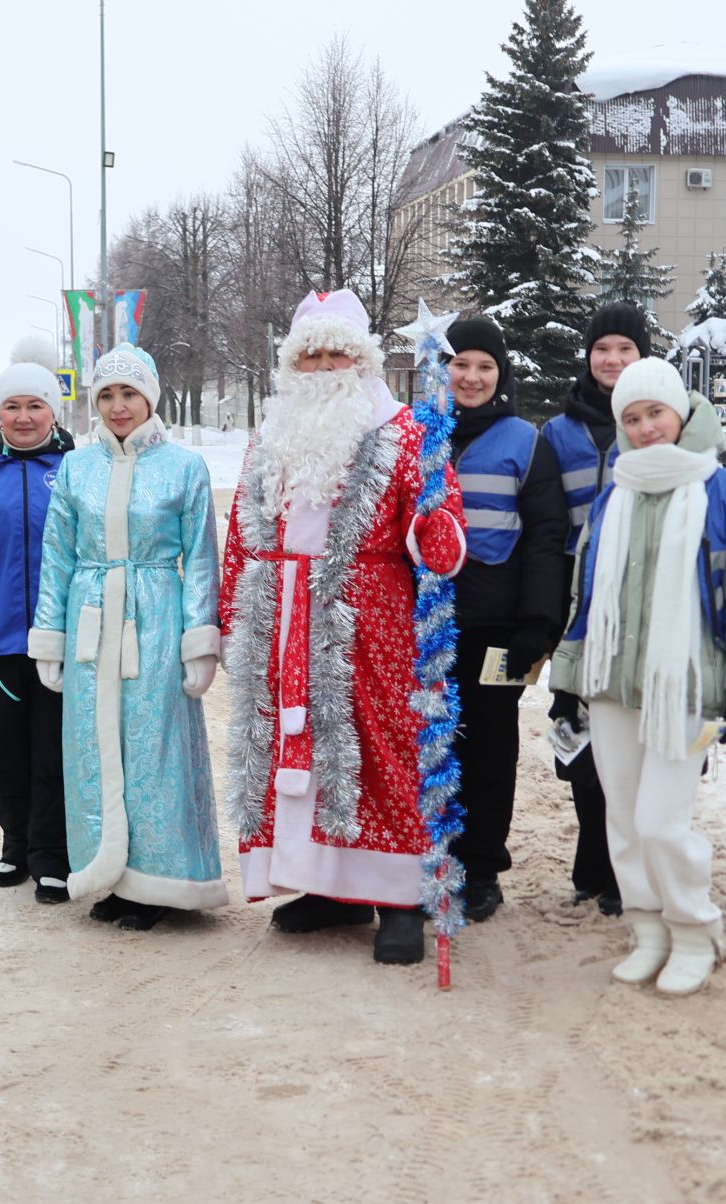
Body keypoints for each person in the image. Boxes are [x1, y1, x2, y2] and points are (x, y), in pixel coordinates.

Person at [219, 289, 466, 965]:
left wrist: (434, 526)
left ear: (362, 361)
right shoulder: (269, 437)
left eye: (339, 353)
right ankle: (323, 883)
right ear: (295, 364)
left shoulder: (406, 432)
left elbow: (436, 533)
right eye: (313, 354)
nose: (326, 365)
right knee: (298, 756)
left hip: (371, 616)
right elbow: (244, 531)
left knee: (381, 749)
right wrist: (231, 612)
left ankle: (400, 900)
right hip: (283, 613)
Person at [550, 357, 726, 996]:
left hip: (688, 686)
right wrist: (568, 682)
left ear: (681, 413)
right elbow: (584, 599)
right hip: (613, 684)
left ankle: (695, 927)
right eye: (632, 416)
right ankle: (648, 928)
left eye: (656, 412)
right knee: (621, 818)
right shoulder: (611, 496)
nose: (647, 427)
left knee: (660, 822)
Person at [27, 343, 227, 930]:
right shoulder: (76, 467)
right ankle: (111, 874)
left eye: (129, 394)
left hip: (156, 620)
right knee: (94, 749)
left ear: (150, 398)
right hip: (91, 621)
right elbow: (57, 555)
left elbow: (200, 560)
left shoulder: (184, 467)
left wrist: (198, 640)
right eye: (107, 395)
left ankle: (160, 883)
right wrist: (53, 637)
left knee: (153, 749)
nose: (118, 406)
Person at [444, 315, 567, 922]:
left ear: (501, 375)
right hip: (423, 625)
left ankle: (481, 866)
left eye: (484, 367)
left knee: (489, 748)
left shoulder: (526, 440)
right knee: (424, 742)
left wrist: (537, 624)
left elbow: (546, 536)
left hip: (494, 628)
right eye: (461, 364)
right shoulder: (417, 433)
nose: (471, 377)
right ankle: (425, 853)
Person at [540, 302, 651, 918]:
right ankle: (594, 858)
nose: (612, 360)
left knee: (635, 735)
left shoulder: (660, 423)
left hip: (640, 608)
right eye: (603, 349)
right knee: (579, 732)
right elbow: (546, 526)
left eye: (625, 350)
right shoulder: (558, 433)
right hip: (577, 606)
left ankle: (631, 863)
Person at [0, 361, 75, 904]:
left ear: (54, 411)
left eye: (35, 406)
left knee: (55, 748)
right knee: (6, 750)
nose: (24, 417)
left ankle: (53, 854)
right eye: (12, 406)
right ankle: (16, 845)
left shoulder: (77, 471)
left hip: (62, 639)